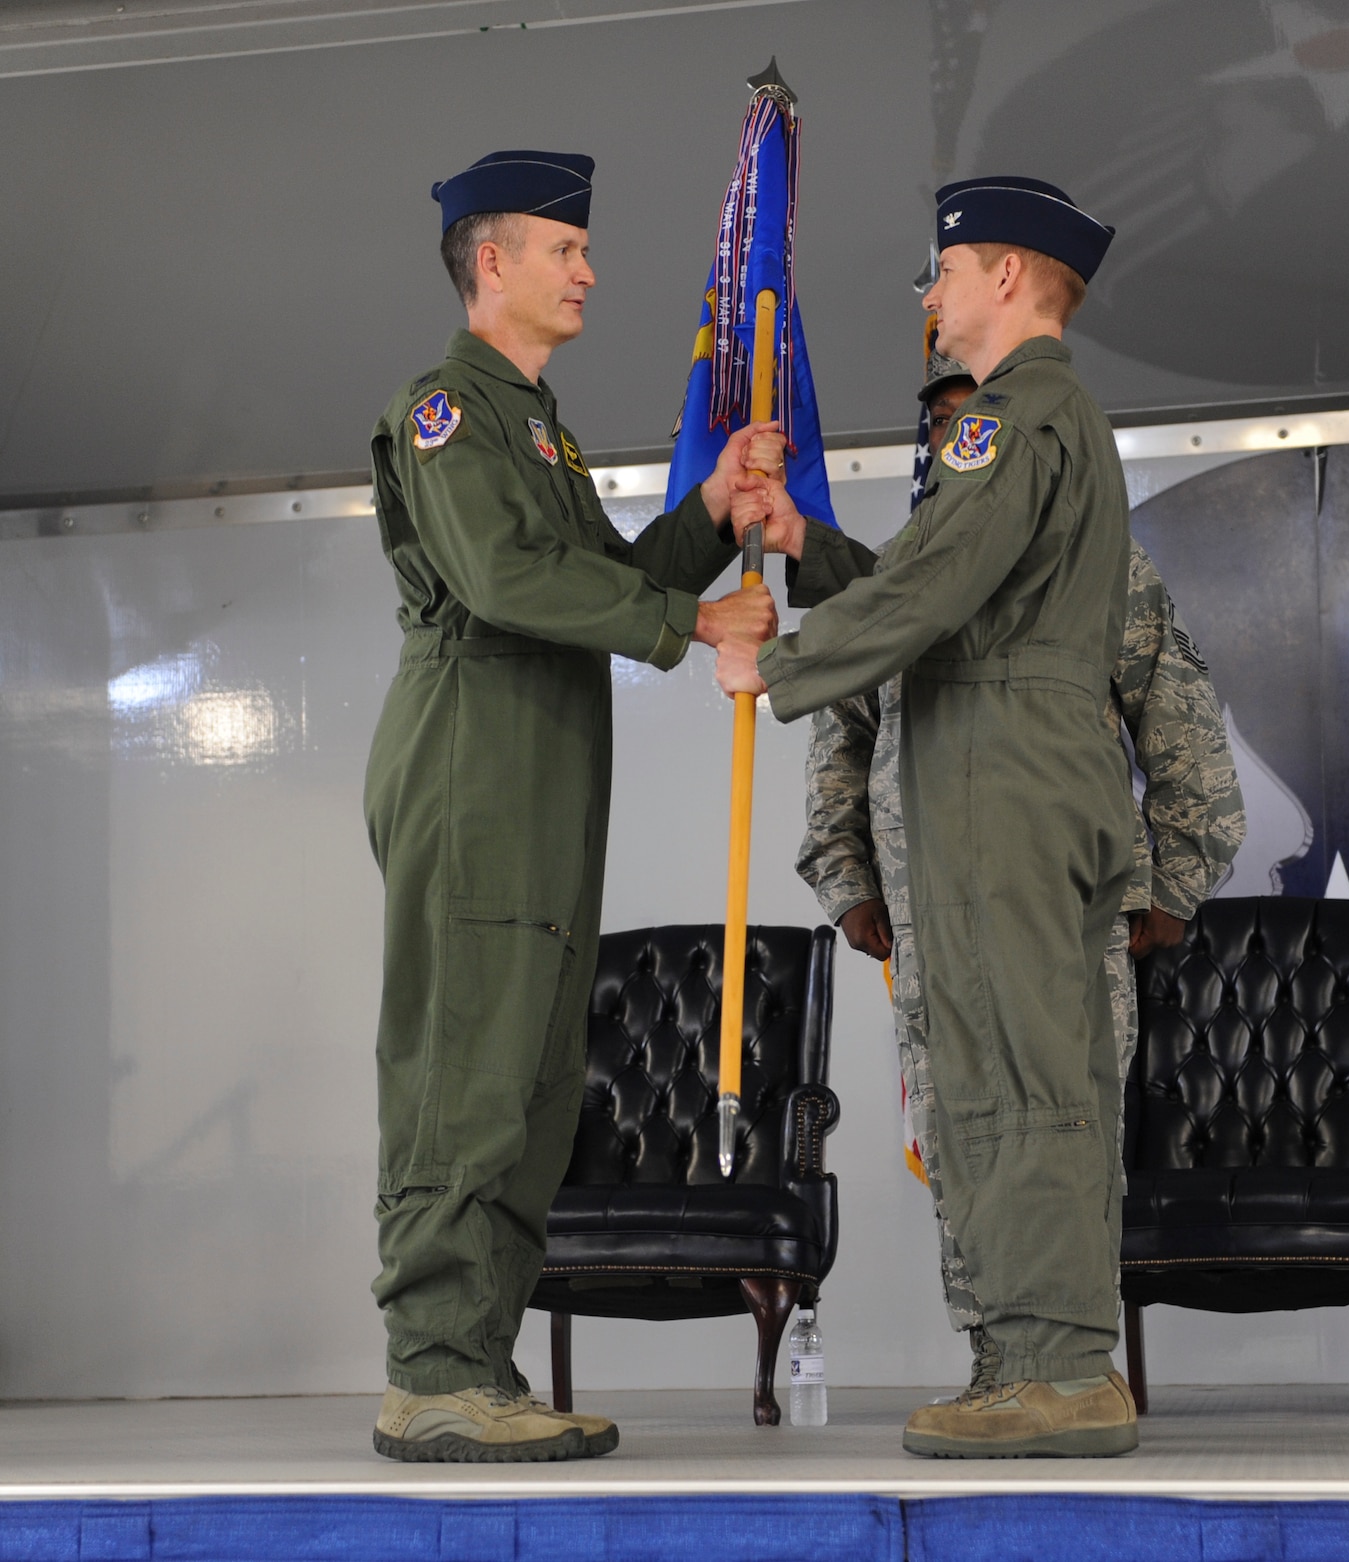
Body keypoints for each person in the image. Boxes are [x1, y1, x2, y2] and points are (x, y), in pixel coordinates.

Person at [364, 149, 781, 1462]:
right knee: (467, 1077)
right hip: (475, 768)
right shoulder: (447, 409)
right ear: (494, 262)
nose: (589, 269)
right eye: (564, 249)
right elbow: (502, 579)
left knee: (536, 1087)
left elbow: (597, 576)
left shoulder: (537, 428)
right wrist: (696, 620)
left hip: (541, 774)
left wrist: (711, 515)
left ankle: (473, 1365)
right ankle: (431, 1367)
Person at [720, 177, 1139, 1458]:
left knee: (1020, 1070)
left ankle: (1057, 1366)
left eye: (944, 270)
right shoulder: (1036, 420)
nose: (928, 295)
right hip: (1005, 755)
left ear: (1006, 275)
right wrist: (809, 548)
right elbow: (943, 580)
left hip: (1000, 766)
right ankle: (1023, 1355)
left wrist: (779, 664)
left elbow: (945, 586)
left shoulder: (1014, 417)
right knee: (1004, 1066)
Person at [795, 354, 1244, 1351]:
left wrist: (1170, 884)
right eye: (950, 432)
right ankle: (998, 1355)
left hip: (1059, 905)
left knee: (1064, 1138)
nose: (967, 450)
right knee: (959, 1136)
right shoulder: (894, 575)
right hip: (930, 919)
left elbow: (1185, 734)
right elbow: (843, 738)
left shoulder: (1103, 570)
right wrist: (850, 879)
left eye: (983, 429)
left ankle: (1069, 1357)